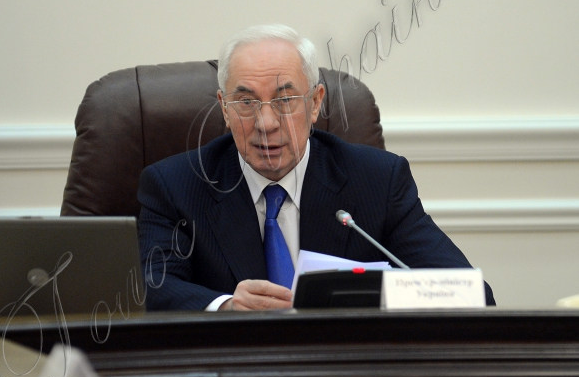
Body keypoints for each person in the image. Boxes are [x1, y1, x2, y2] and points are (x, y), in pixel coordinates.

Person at [137, 25, 495, 310]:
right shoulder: (175, 186)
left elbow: (470, 293)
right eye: (245, 102)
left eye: (285, 100)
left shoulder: (378, 180)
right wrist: (226, 306)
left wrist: (370, 297)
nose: (266, 123)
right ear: (224, 109)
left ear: (314, 104)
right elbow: (149, 289)